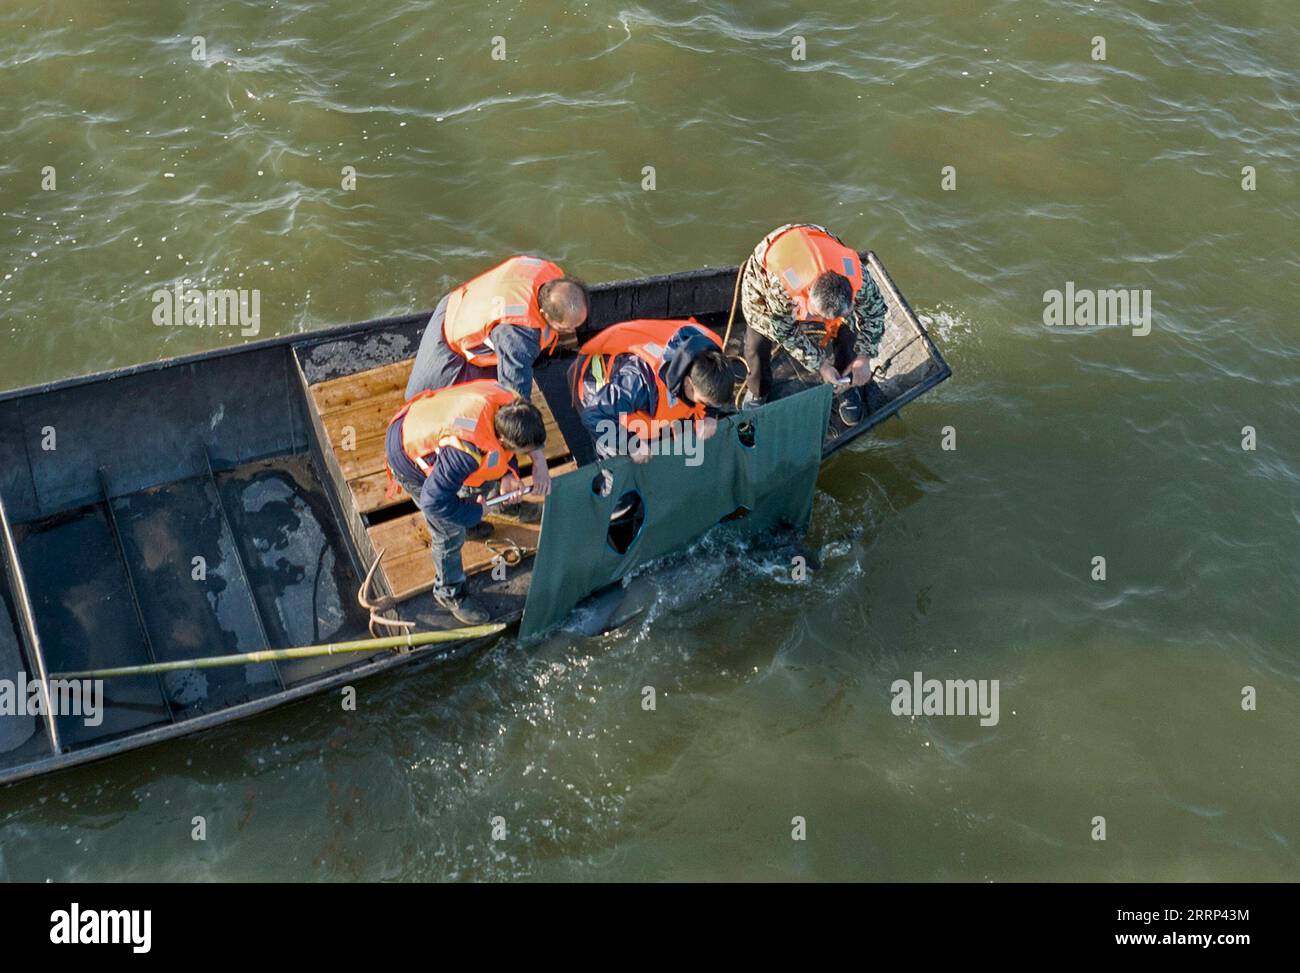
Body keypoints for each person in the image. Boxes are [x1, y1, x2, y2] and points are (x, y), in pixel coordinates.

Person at [385, 380, 547, 624]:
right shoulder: (464, 452)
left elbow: (498, 457)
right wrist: (475, 512)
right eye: (524, 451)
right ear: (504, 441)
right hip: (409, 455)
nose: (529, 454)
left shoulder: (508, 402)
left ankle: (470, 521)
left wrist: (512, 472)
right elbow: (433, 501)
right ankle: (448, 592)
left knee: (477, 483)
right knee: (448, 533)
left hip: (427, 420)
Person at [738, 223, 887, 425]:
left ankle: (846, 384)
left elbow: (876, 310)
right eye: (819, 316)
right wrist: (821, 365)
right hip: (769, 270)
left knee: (847, 329)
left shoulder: (857, 276)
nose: (824, 322)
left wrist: (865, 356)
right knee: (757, 341)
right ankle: (758, 390)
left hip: (818, 241)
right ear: (808, 302)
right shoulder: (781, 289)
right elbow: (784, 332)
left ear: (852, 297)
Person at [405, 255, 589, 402]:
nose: (574, 330)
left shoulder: (545, 270)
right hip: (451, 343)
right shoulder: (520, 334)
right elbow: (514, 395)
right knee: (419, 401)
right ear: (544, 314)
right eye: (569, 327)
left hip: (463, 302)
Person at [571, 319, 735, 463]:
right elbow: (593, 415)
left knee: (672, 437)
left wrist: (711, 414)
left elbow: (710, 397)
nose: (706, 405)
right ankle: (610, 490)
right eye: (704, 402)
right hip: (594, 384)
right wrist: (630, 444)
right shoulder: (640, 381)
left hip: (650, 390)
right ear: (688, 384)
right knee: (617, 455)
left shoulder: (713, 353)